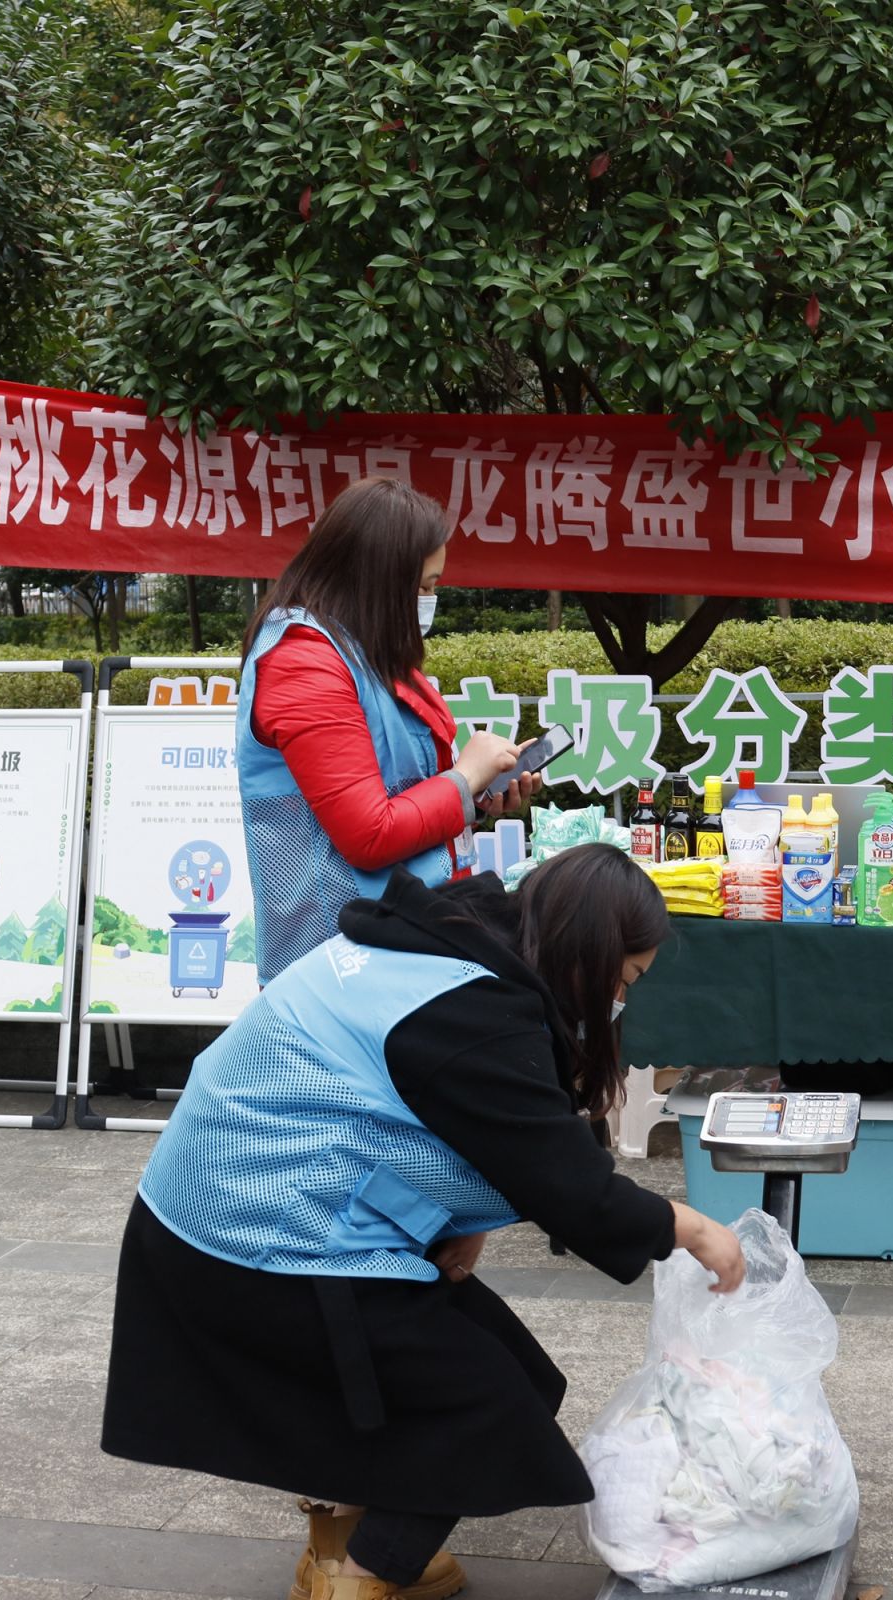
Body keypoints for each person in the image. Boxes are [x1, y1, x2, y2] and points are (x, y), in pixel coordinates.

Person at [101, 845, 746, 1600]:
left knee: (510, 1370)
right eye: (625, 980)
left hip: (233, 1212)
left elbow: (437, 1114)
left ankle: (338, 1549)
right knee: (487, 1399)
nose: (620, 1003)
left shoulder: (453, 943)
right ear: (589, 953)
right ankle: (364, 1577)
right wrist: (695, 1230)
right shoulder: (473, 1009)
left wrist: (464, 1215)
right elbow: (571, 1187)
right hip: (264, 1241)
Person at [238, 476, 540, 981]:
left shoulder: (365, 648)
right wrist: (463, 779)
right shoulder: (304, 663)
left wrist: (479, 796)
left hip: (401, 936)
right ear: (374, 577)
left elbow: (404, 790)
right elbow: (370, 833)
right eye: (422, 586)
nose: (428, 600)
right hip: (336, 958)